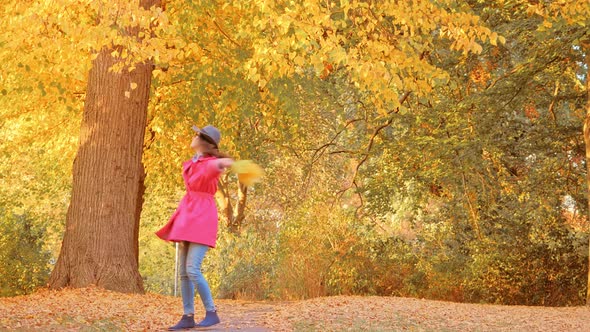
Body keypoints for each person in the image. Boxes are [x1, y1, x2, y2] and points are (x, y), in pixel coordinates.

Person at [156, 125, 233, 330]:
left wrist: (228, 162)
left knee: (192, 268)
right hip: (188, 216)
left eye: (197, 135)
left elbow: (220, 164)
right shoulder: (193, 163)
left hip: (202, 217)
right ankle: (188, 316)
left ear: (205, 143)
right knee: (183, 272)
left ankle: (212, 312)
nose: (193, 136)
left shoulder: (209, 164)